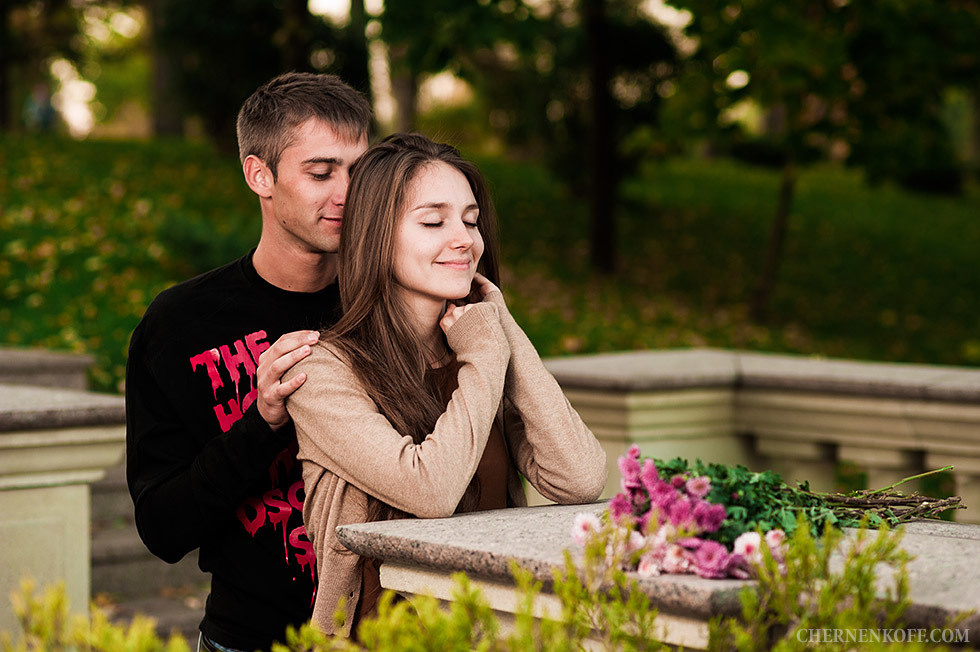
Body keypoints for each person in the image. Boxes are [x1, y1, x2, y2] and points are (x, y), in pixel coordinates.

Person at [285, 133, 608, 636]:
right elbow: (428, 490)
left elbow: (580, 478)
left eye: (471, 220)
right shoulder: (323, 372)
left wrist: (502, 327)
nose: (465, 239)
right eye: (433, 221)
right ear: (375, 235)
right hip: (384, 640)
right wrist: (484, 357)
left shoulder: (480, 351)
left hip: (497, 633)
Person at [125, 72, 371, 652]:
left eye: (358, 171)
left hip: (393, 634)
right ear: (260, 175)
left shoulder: (389, 304)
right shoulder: (180, 324)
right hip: (249, 638)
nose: (346, 192)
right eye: (321, 172)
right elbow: (161, 527)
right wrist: (261, 424)